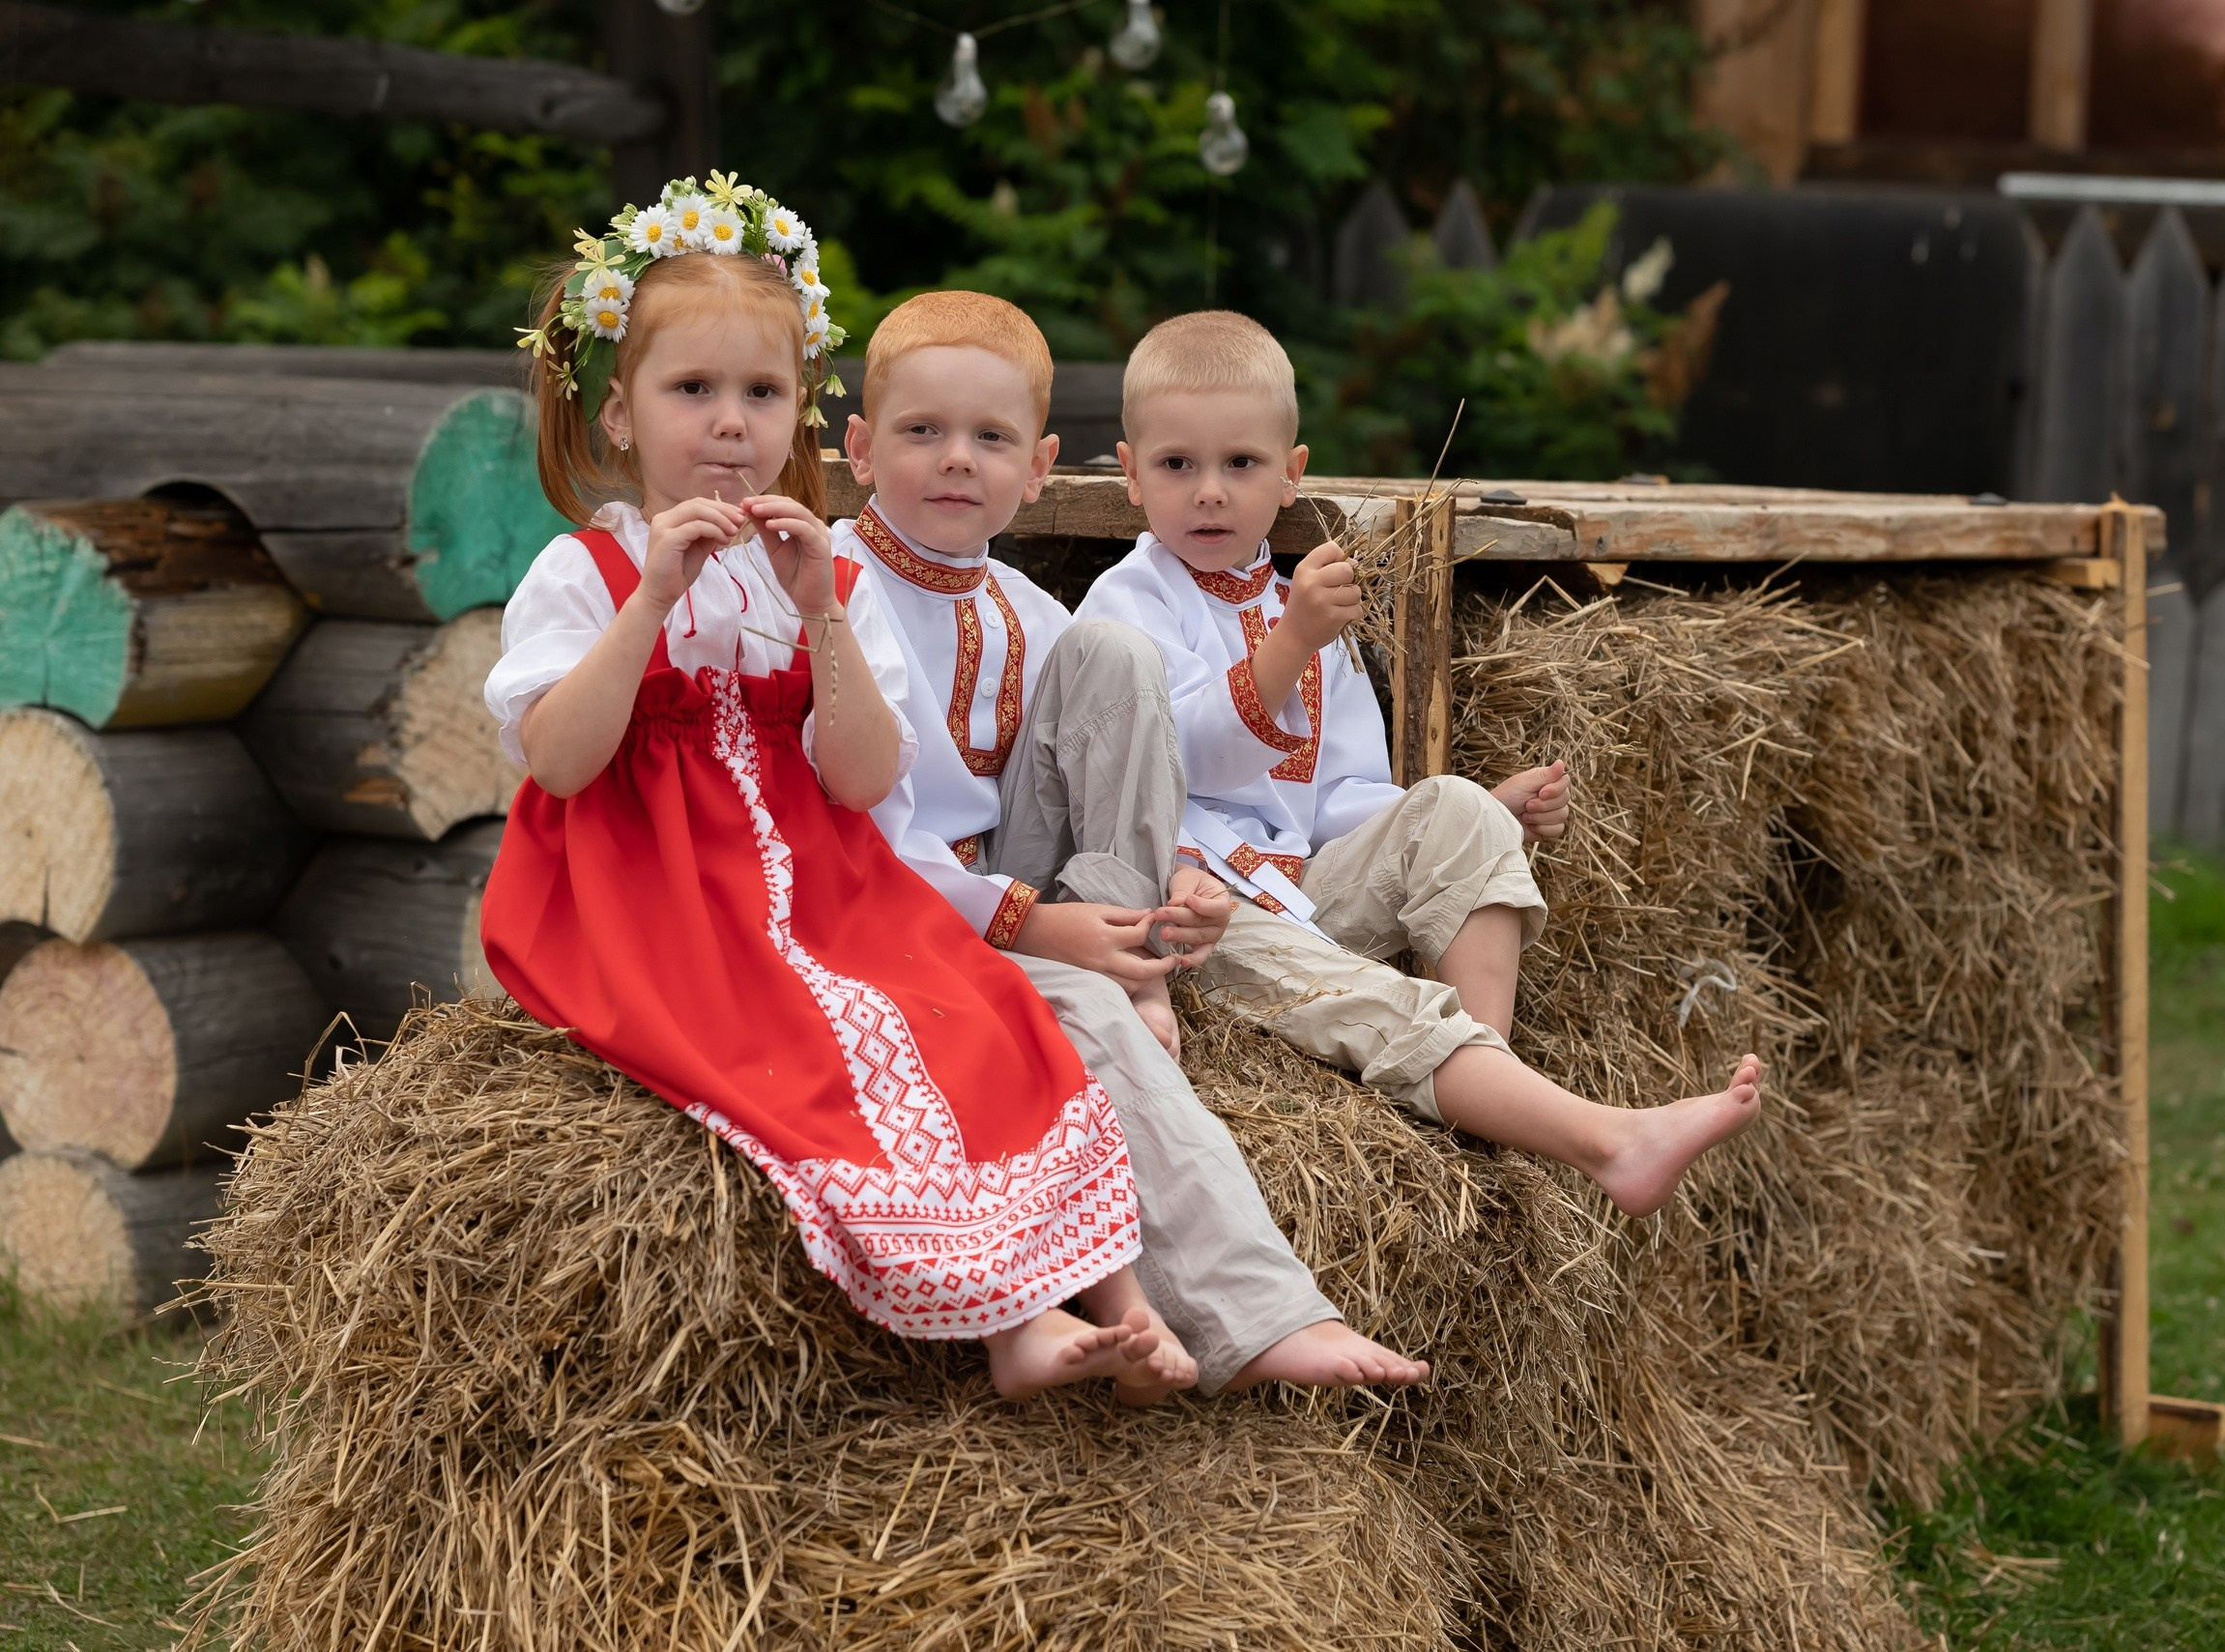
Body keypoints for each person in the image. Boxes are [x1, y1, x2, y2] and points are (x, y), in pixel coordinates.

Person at [477, 175, 1191, 1404]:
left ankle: (1122, 1300)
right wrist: (649, 599)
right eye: (690, 390)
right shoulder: (585, 566)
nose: (727, 423)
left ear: (803, 418)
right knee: (823, 1057)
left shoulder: (804, 576)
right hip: (652, 891)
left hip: (816, 877)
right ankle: (1010, 1322)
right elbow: (557, 758)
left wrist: (820, 616)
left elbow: (862, 777)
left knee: (982, 1008)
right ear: (620, 416)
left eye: (761, 393)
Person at [835, 290, 1430, 1394]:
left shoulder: (1029, 606)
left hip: (1021, 868)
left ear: (1040, 467)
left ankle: (1137, 947)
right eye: (923, 432)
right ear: (861, 450)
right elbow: (857, 830)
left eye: (990, 439)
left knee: (1114, 659)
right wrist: (1039, 922)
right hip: (900, 906)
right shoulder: (834, 588)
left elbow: (1133, 761)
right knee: (1088, 1013)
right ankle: (1254, 1317)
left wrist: (1179, 882)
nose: (957, 461)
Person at [1078, 309, 1764, 1220]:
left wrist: (1486, 811)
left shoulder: (1301, 610)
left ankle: (1489, 1099)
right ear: (1130, 473)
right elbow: (1180, 755)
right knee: (1367, 995)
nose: (1209, 492)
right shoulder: (1123, 607)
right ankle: (1601, 1137)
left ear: (1292, 475)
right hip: (1200, 912)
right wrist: (1290, 642)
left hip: (1302, 885)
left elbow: (1345, 799)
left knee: (1455, 810)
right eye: (1177, 465)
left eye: (1240, 463)